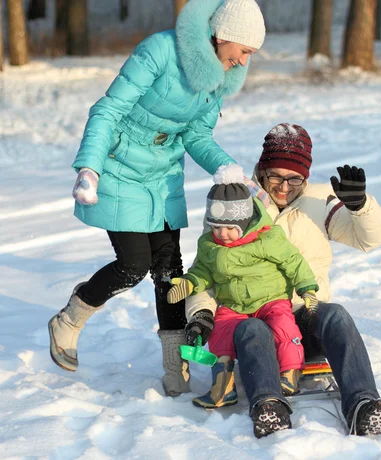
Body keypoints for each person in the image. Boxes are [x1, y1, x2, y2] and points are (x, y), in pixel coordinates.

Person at [47, 0, 267, 397]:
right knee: (134, 264)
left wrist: (228, 169)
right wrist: (89, 167)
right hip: (118, 167)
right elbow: (108, 109)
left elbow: (197, 136)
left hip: (163, 176)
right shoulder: (161, 51)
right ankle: (72, 316)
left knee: (171, 273)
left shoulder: (218, 77)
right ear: (225, 35)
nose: (245, 61)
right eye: (245, 51)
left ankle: (174, 359)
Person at [184, 123, 381, 438]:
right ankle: (269, 406)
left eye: (294, 179)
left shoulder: (320, 201)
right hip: (252, 323)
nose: (284, 187)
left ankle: (363, 404)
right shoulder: (236, 204)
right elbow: (206, 270)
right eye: (275, 177)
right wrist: (200, 313)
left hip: (301, 316)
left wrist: (360, 208)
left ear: (305, 177)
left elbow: (369, 239)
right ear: (261, 169)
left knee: (335, 312)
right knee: (252, 328)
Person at [166, 164, 319, 410]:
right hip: (234, 304)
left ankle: (290, 372)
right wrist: (189, 283)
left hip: (271, 299)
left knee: (283, 326)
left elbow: (294, 262)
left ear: (244, 222)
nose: (222, 234)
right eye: (216, 227)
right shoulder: (210, 244)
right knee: (220, 332)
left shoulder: (268, 238)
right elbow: (204, 271)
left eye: (229, 228)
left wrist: (307, 289)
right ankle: (222, 386)